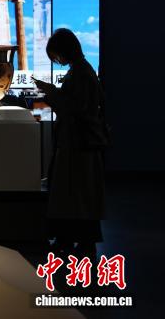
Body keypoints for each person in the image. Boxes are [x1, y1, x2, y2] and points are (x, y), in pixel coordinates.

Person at [33, 28, 109, 262]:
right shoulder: (82, 70)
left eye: (56, 55)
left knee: (75, 194)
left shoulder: (80, 73)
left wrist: (51, 93)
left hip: (78, 144)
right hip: (78, 143)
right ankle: (75, 240)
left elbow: (75, 108)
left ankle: (76, 241)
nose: (56, 59)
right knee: (79, 194)